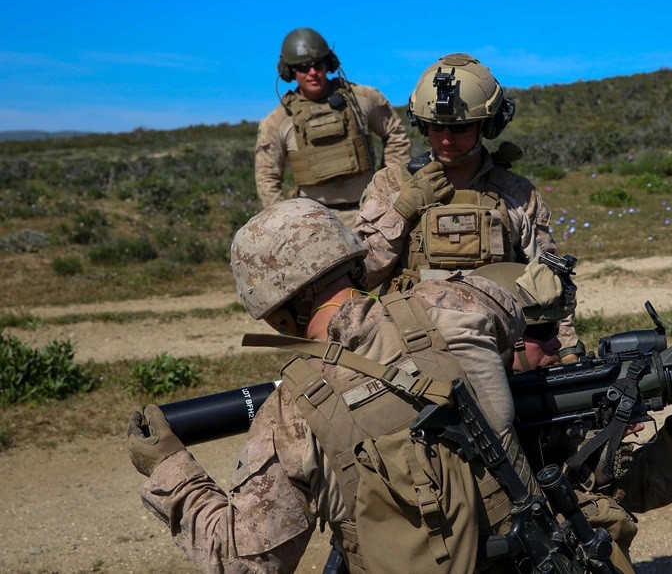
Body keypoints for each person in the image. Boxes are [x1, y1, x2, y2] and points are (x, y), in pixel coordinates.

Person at [125, 198, 566, 573]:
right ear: (354, 263)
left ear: (275, 312)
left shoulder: (290, 414)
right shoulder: (458, 300)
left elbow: (241, 561)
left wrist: (171, 470)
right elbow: (522, 303)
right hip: (535, 556)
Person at [471, 262, 672, 573]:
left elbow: (622, 492)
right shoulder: (467, 426)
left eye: (556, 329)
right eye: (543, 331)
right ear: (499, 340)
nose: (557, 343)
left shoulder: (541, 405)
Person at [354, 53, 581, 353]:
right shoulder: (391, 187)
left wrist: (564, 349)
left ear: (487, 125)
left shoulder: (515, 193)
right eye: (436, 126)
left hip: (496, 346)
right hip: (411, 344)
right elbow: (362, 276)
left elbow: (548, 285)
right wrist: (401, 211)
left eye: (460, 128)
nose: (446, 139)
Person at [255, 27, 411, 226]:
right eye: (303, 67)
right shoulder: (278, 121)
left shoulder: (362, 99)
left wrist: (391, 188)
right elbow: (267, 177)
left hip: (370, 213)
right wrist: (287, 223)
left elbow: (395, 134)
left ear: (328, 63)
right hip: (314, 223)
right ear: (289, 72)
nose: (312, 73)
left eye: (317, 64)